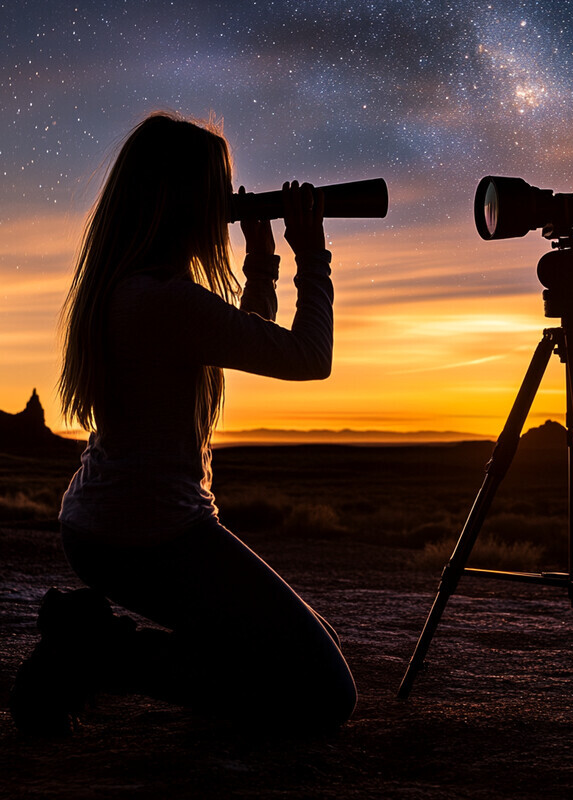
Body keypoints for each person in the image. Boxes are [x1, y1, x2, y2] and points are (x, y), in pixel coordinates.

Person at [9, 111, 357, 736]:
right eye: (216, 189)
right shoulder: (163, 300)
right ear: (182, 201)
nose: (226, 202)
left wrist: (260, 262)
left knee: (298, 646)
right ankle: (99, 653)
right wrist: (314, 255)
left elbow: (248, 338)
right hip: (149, 535)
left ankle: (89, 640)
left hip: (108, 526)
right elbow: (309, 358)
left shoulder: (135, 289)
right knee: (322, 691)